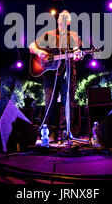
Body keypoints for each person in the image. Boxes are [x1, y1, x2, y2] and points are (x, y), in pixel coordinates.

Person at [29, 10, 83, 141]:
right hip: (50, 74)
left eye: (66, 18)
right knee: (50, 102)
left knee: (68, 102)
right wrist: (38, 51)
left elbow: (76, 51)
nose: (63, 20)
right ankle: (51, 131)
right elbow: (31, 46)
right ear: (58, 20)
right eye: (61, 18)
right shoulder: (49, 34)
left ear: (69, 22)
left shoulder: (74, 36)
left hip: (68, 72)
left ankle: (65, 131)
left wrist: (77, 55)